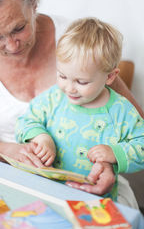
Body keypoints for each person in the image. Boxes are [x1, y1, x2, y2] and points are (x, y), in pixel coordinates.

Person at [0, 0, 143, 207]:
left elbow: (136, 127)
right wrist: (15, 150)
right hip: (18, 180)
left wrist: (110, 162)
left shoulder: (78, 44)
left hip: (91, 182)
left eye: (18, 28)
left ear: (33, 2)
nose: (11, 46)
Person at [15, 17, 144, 201]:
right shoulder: (54, 97)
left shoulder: (121, 110)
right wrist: (40, 136)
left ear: (109, 77)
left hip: (94, 197)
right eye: (62, 76)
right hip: (46, 191)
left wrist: (115, 153)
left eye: (81, 82)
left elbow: (142, 144)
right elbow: (25, 120)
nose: (69, 88)